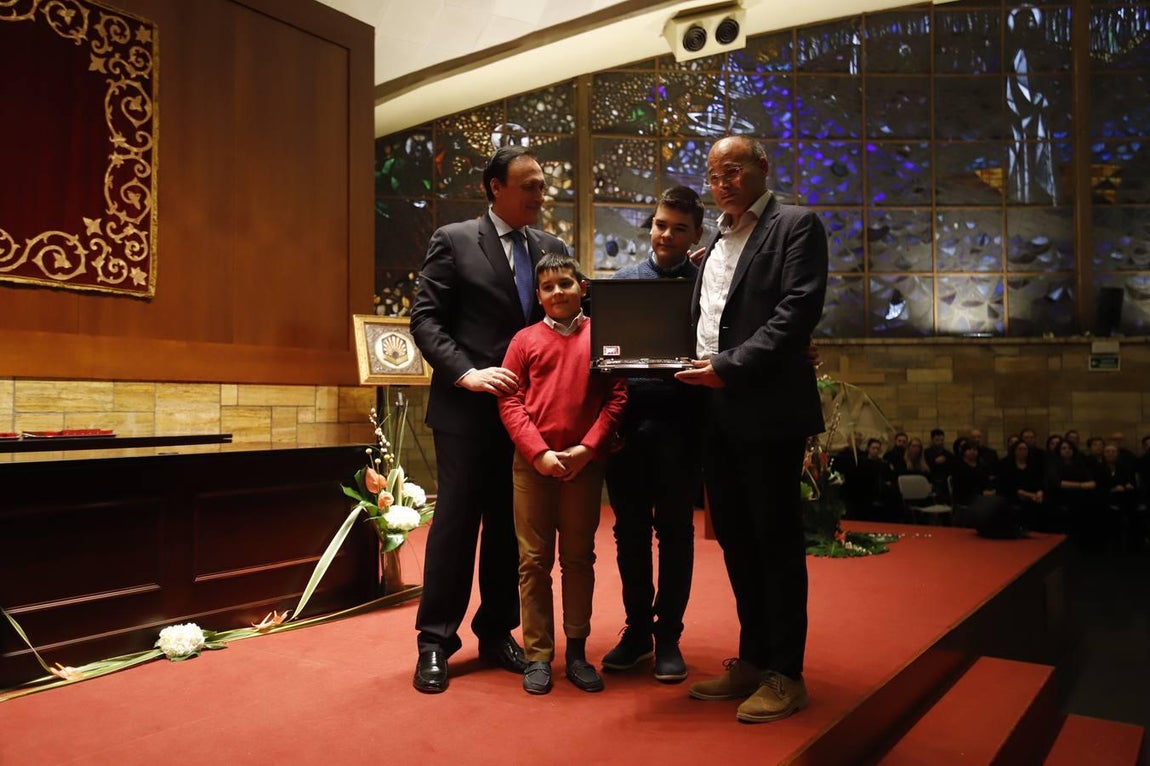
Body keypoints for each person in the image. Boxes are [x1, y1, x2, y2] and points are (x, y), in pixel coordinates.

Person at [674, 135, 828, 724]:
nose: (722, 183)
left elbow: (797, 311)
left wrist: (727, 367)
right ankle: (755, 658)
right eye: (714, 176)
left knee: (776, 543)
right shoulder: (716, 237)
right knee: (737, 540)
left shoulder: (795, 225)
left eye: (733, 171)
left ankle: (787, 674)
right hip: (713, 410)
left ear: (763, 168)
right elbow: (710, 315)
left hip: (765, 408)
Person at [408, 146, 568, 693]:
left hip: (526, 416)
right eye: (529, 186)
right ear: (495, 187)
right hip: (467, 410)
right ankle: (435, 641)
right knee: (455, 526)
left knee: (509, 527)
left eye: (543, 186)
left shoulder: (551, 248)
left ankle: (497, 630)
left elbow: (572, 317)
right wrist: (466, 373)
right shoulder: (454, 240)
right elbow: (425, 320)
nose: (540, 196)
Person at [497, 252, 628, 695]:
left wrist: (587, 449)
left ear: (582, 288)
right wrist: (538, 453)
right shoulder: (524, 340)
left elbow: (617, 396)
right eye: (548, 287)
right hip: (532, 467)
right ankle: (537, 655)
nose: (558, 293)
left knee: (577, 558)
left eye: (566, 284)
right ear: (538, 296)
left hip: (583, 466)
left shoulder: (604, 336)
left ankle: (576, 650)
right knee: (533, 562)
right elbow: (510, 401)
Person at [601, 186, 704, 684]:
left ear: (695, 235)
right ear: (651, 226)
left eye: (679, 228)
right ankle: (638, 630)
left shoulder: (707, 288)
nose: (666, 234)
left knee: (677, 535)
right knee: (629, 534)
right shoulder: (622, 283)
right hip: (627, 430)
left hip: (683, 431)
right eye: (661, 224)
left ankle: (669, 638)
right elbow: (603, 364)